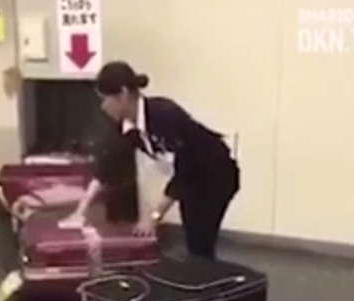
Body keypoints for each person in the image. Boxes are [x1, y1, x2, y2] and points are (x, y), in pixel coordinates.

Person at [71, 61, 240, 260]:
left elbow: (187, 170)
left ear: (123, 94)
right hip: (190, 177)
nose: (103, 107)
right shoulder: (125, 127)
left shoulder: (165, 114)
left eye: (105, 99)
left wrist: (154, 217)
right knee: (195, 241)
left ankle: (209, 280)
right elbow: (106, 166)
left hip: (216, 174)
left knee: (200, 240)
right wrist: (80, 211)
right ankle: (200, 272)